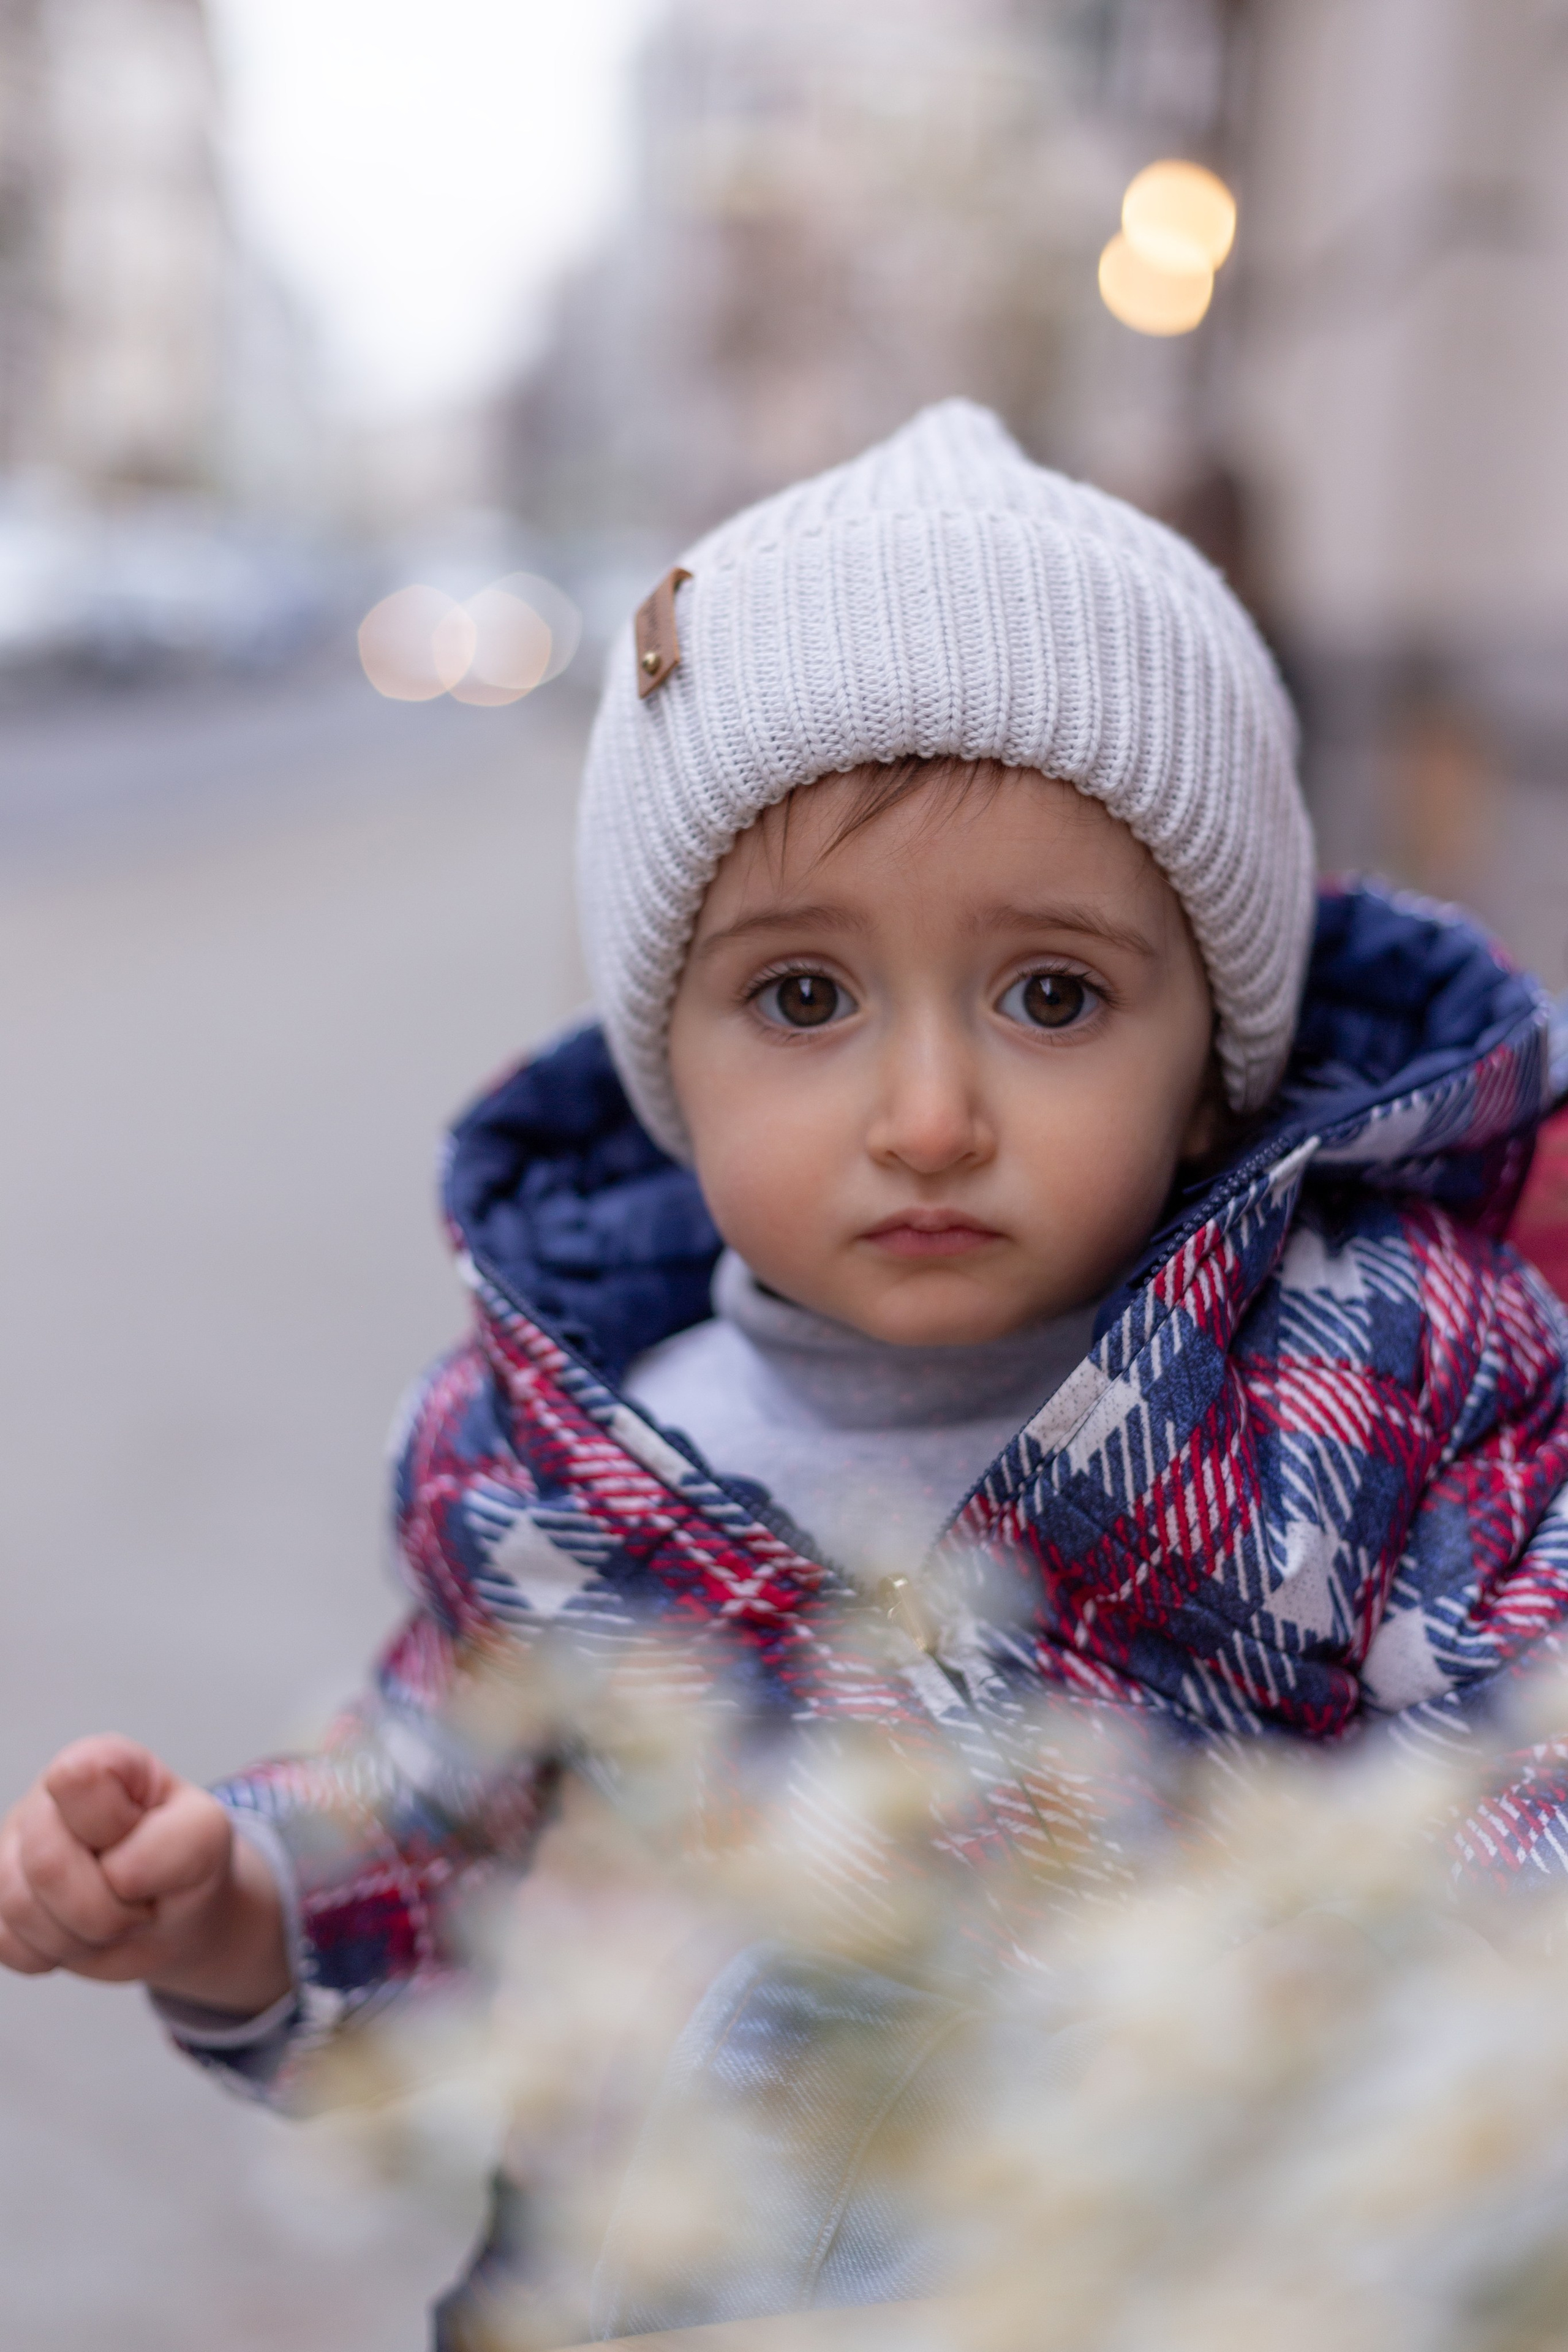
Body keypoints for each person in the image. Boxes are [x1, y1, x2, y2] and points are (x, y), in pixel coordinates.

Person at [5, 401, 1568, 2344]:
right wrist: (232, 1900)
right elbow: (436, 1847)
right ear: (669, 1054)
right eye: (804, 997)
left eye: (1054, 996)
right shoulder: (565, 1458)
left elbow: (1520, 1769)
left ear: (1208, 1072)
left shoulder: (1373, 1376)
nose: (927, 1116)